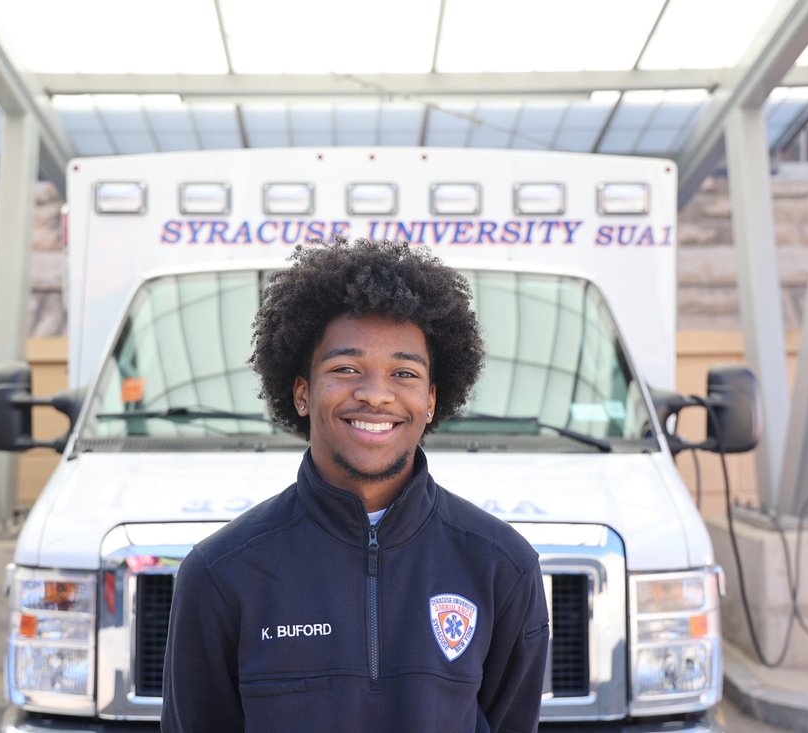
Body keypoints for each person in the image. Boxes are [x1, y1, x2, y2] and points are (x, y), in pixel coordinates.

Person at [162, 238, 549, 733]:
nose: (375, 395)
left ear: (431, 400)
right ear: (302, 392)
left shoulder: (502, 566)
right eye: (346, 369)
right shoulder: (221, 573)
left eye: (403, 373)